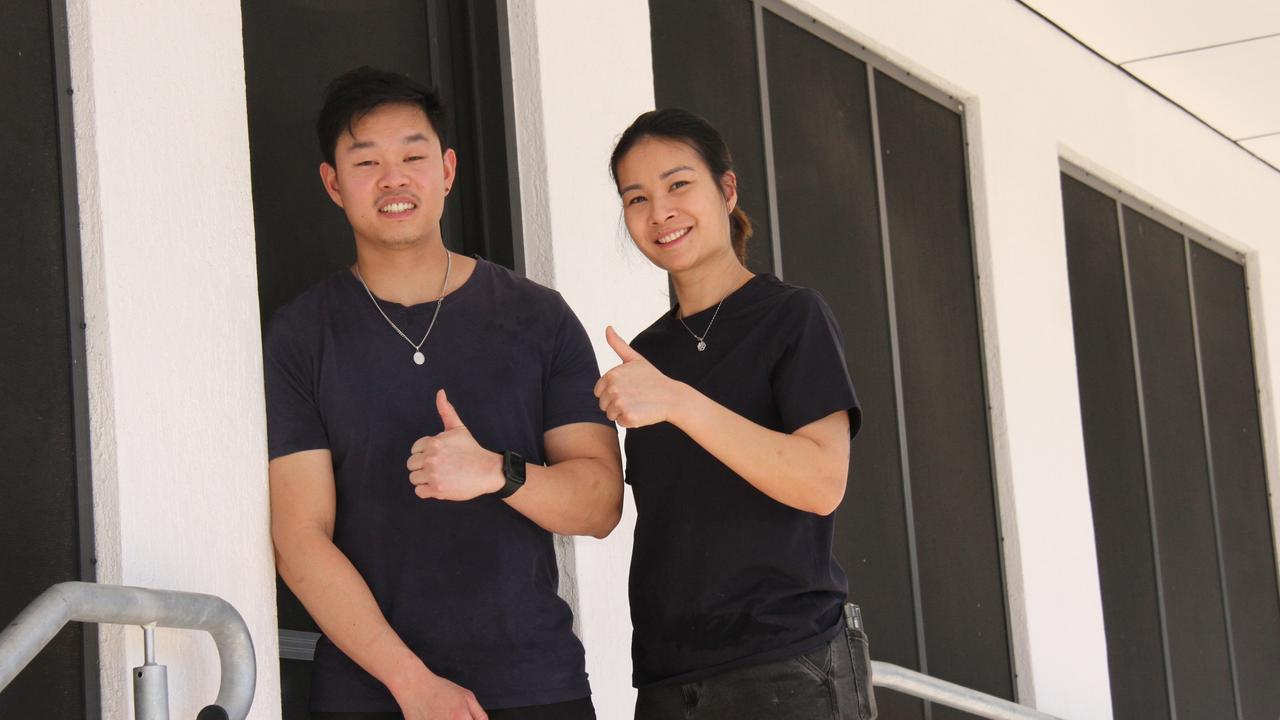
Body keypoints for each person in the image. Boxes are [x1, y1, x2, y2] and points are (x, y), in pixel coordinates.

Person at [265, 67, 622, 720]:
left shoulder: (538, 318)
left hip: (536, 689)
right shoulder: (300, 337)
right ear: (332, 184)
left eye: (413, 156)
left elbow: (599, 503)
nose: (393, 179)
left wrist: (497, 472)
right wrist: (412, 683)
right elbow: (299, 537)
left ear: (449, 170)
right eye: (366, 161)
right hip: (369, 698)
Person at [596, 108, 877, 720]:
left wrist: (678, 401)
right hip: (672, 676)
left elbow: (820, 482)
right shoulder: (646, 356)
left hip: (788, 663)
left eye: (678, 185)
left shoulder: (793, 317)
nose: (659, 212)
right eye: (636, 197)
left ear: (726, 191)